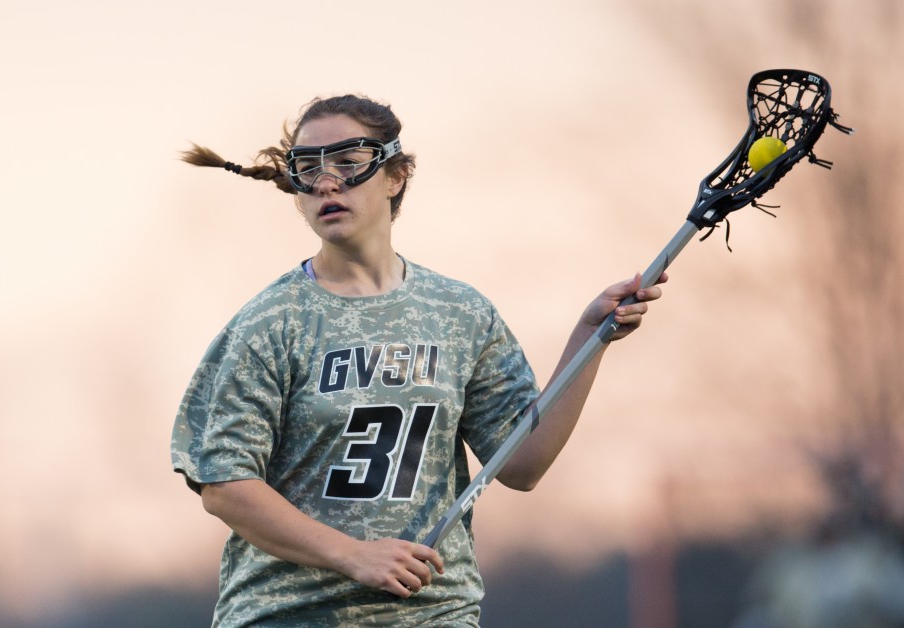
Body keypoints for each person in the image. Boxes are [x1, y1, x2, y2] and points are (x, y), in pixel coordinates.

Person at [171, 94, 666, 626]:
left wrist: (589, 338)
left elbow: (521, 465)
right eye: (308, 169)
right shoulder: (270, 323)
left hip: (435, 614)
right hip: (291, 614)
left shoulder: (461, 313)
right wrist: (354, 555)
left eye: (349, 162)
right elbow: (225, 486)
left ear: (396, 175)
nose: (327, 182)